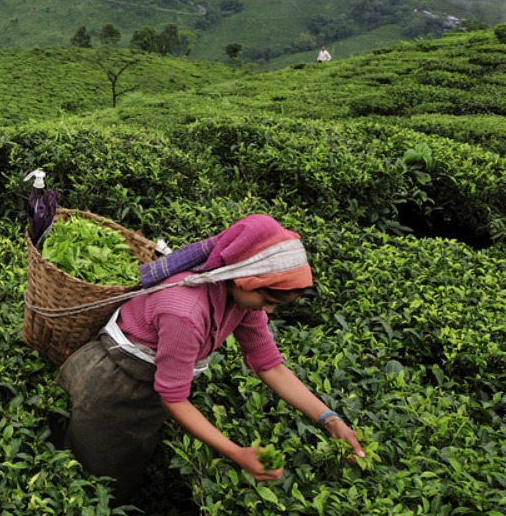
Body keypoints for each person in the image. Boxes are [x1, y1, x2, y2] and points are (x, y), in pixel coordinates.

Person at [57, 214, 364, 504]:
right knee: (93, 477)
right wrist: (236, 452)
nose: (268, 311)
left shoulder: (240, 299)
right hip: (113, 385)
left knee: (128, 462)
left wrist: (329, 419)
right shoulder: (185, 313)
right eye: (267, 301)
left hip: (148, 385)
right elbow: (174, 398)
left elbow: (268, 363)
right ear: (245, 280)